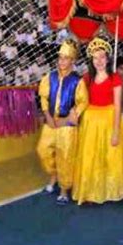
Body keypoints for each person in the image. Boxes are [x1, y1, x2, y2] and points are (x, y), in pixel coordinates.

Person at [72, 37, 123, 204]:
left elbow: (117, 106)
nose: (99, 61)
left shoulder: (115, 78)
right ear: (91, 60)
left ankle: (109, 190)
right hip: (91, 121)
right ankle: (91, 191)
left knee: (109, 156)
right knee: (91, 156)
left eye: (102, 57)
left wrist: (116, 131)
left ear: (107, 59)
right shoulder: (86, 78)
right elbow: (80, 99)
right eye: (95, 57)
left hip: (109, 120)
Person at [36, 39, 88, 205]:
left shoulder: (77, 81)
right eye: (60, 57)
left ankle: (64, 189)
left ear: (72, 61)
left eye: (66, 58)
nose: (62, 61)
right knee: (42, 150)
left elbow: (83, 102)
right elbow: (43, 97)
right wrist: (48, 116)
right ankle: (54, 175)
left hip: (67, 126)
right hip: (51, 123)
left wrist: (72, 116)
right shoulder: (49, 77)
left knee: (65, 157)